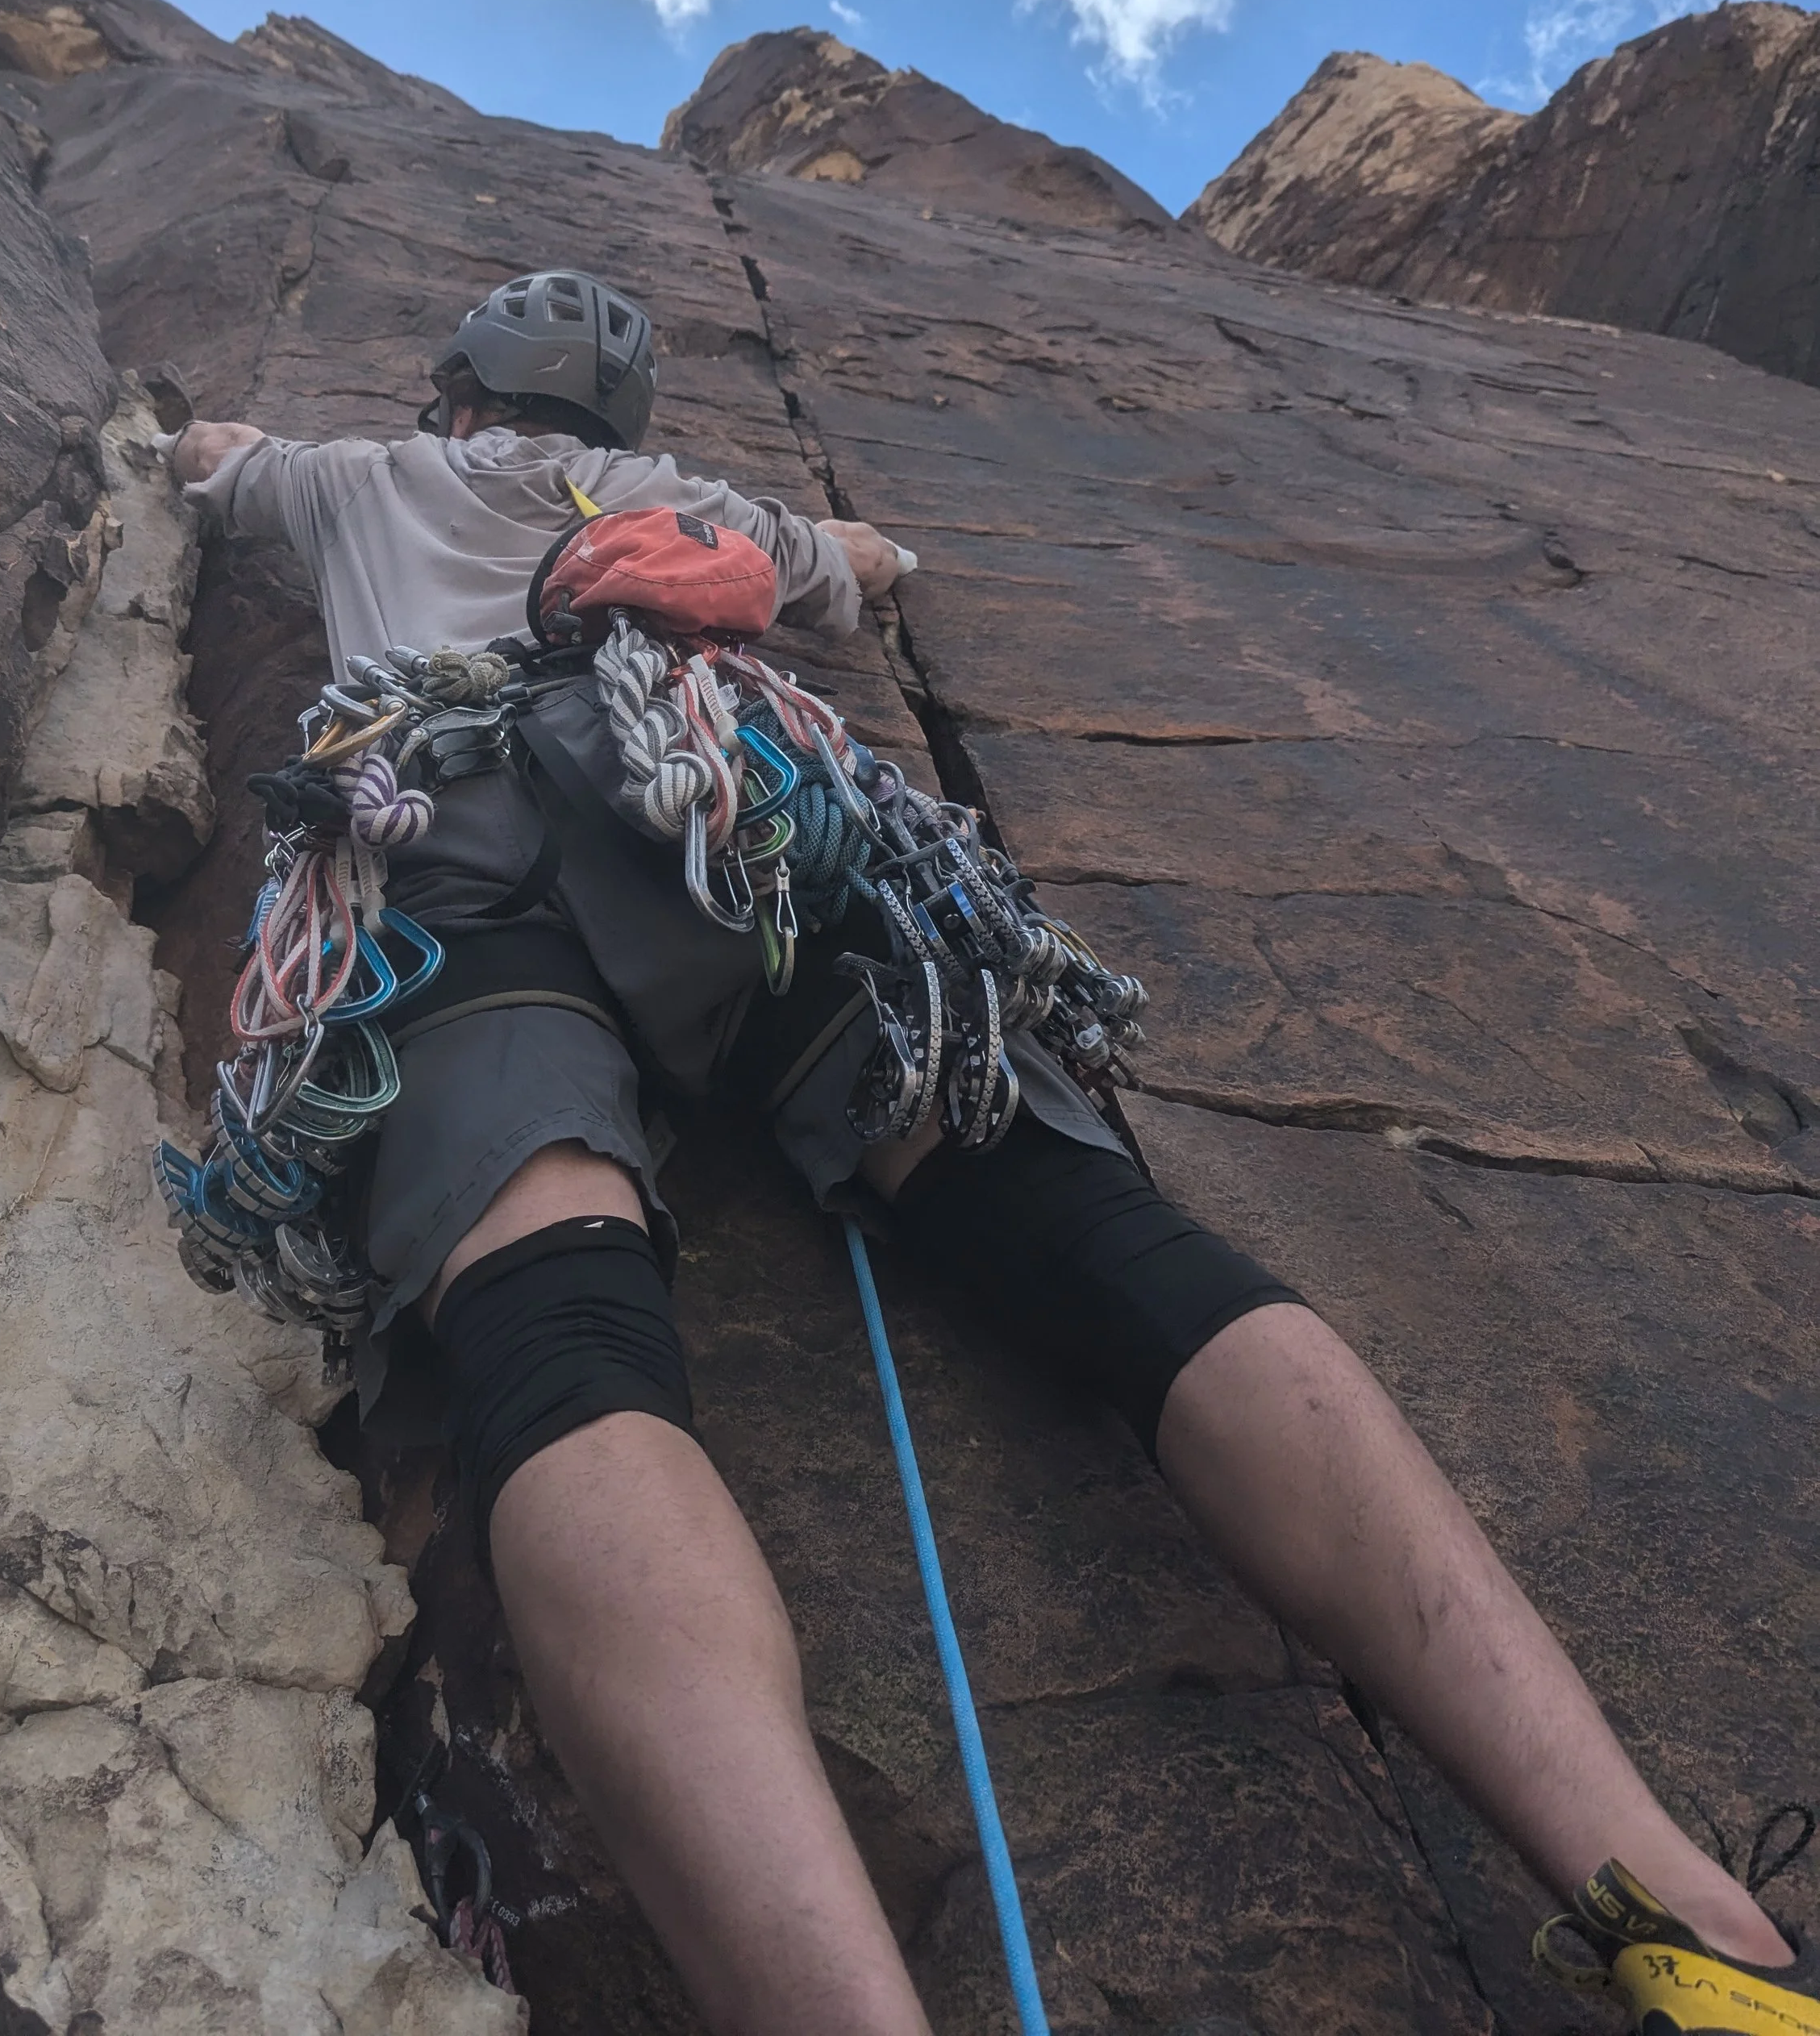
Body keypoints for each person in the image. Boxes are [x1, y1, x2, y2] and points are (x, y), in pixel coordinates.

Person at [173, 269, 1813, 2036]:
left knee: (556, 1331)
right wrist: (869, 552)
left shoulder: (365, 479)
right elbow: (859, 563)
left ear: (458, 396)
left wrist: (190, 441)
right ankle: (1674, 1904)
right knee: (1101, 1239)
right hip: (723, 817)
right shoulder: (684, 503)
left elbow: (218, 465)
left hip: (455, 852)